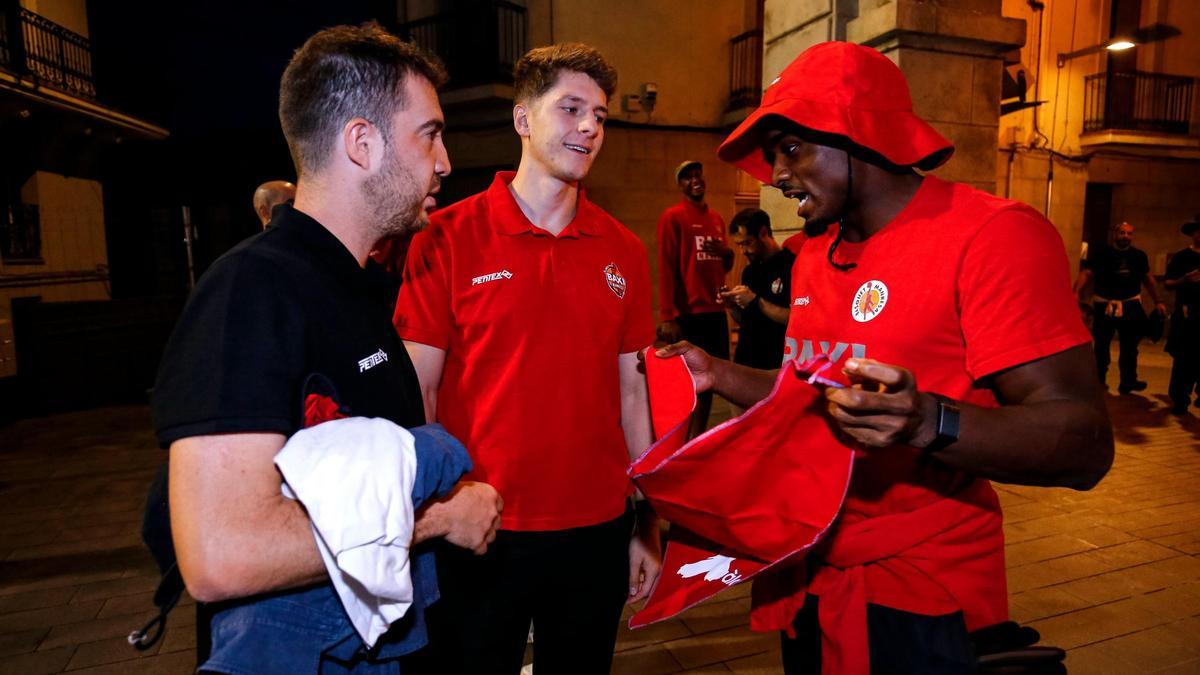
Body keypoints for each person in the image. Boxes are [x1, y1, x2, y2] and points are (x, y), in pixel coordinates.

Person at [654, 41, 1113, 673]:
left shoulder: (993, 235)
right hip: (809, 569)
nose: (776, 174)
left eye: (791, 147)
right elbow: (810, 397)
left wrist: (926, 420)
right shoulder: (816, 253)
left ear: (857, 133)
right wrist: (718, 372)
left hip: (929, 591)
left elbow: (1085, 444)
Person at [151, 24, 502, 672]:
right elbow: (219, 553)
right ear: (362, 143)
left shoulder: (358, 290)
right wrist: (437, 519)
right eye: (429, 134)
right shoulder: (249, 292)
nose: (446, 160)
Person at [394, 43, 661, 675]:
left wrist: (649, 518)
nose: (590, 127)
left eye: (599, 114)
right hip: (480, 528)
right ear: (522, 120)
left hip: (596, 528)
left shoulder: (623, 250)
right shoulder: (445, 239)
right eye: (570, 109)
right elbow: (418, 394)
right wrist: (428, 518)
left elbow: (633, 394)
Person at [656, 160, 734, 437]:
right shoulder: (673, 217)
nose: (695, 180)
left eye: (698, 174)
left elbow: (721, 265)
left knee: (711, 381)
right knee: (688, 383)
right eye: (687, 177)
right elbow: (667, 266)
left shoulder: (716, 220)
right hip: (690, 313)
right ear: (681, 186)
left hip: (714, 311)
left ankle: (697, 438)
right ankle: (677, 438)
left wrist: (727, 255)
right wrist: (668, 314)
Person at [1074, 221, 1167, 393]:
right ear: (1115, 234)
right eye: (1122, 233)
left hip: (1130, 306)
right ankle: (1099, 380)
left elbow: (1148, 279)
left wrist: (1158, 300)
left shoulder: (1139, 256)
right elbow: (1086, 273)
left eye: (1129, 233)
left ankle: (1128, 381)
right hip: (1104, 306)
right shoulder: (1101, 253)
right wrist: (1076, 292)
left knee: (1130, 347)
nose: (1126, 236)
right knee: (1101, 346)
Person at [720, 208, 794, 370]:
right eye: (739, 245)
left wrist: (756, 301)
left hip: (775, 364)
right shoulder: (750, 271)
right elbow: (747, 320)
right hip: (746, 361)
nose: (743, 251)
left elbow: (795, 319)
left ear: (763, 233)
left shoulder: (791, 266)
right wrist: (731, 305)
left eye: (747, 243)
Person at [1165, 215, 1200, 414]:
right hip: (1187, 316)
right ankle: (1180, 399)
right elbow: (1168, 284)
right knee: (1183, 359)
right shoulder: (1181, 258)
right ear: (1192, 233)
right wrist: (1184, 280)